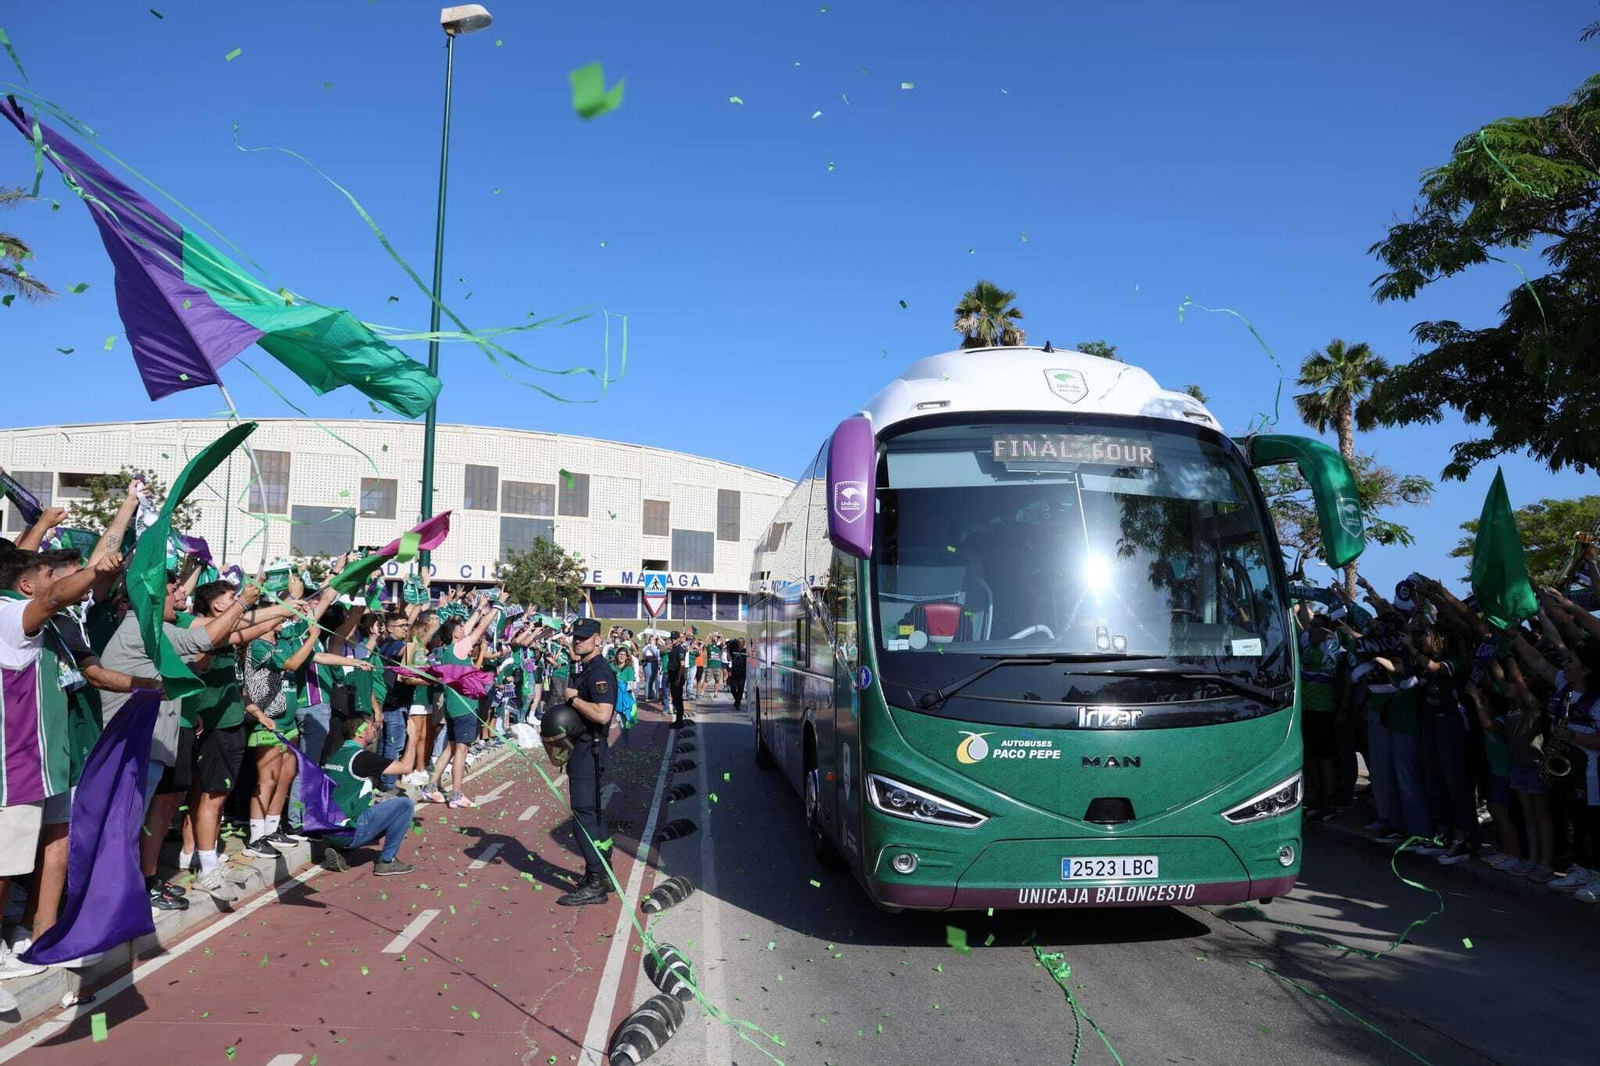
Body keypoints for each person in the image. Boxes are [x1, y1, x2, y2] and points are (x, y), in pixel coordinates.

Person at [0, 546, 122, 997]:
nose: (59, 580)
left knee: (26, 856)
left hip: (43, 763)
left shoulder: (44, 621)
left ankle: (41, 935)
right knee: (3, 865)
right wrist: (94, 570)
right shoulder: (11, 615)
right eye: (51, 573)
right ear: (29, 585)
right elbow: (54, 598)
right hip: (13, 765)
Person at [551, 617, 616, 906]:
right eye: (576, 636)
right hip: (586, 750)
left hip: (590, 751)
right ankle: (605, 872)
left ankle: (595, 882)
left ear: (598, 640)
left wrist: (574, 701)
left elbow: (603, 714)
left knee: (582, 817)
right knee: (595, 815)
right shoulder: (586, 668)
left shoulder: (599, 672)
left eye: (585, 637)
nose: (578, 641)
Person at [318, 710, 420, 876]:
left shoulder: (334, 755)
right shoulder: (361, 758)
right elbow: (406, 767)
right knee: (404, 805)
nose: (375, 730)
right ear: (361, 732)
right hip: (346, 831)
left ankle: (342, 851)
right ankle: (387, 861)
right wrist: (413, 738)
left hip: (326, 829)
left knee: (378, 803)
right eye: (372, 726)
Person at [665, 631, 688, 727]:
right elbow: (662, 651)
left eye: (675, 638)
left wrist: (678, 678)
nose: (673, 640)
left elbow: (682, 665)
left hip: (677, 676)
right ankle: (678, 720)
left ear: (679, 638)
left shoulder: (680, 649)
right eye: (672, 638)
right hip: (672, 675)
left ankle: (679, 721)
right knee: (675, 699)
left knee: (678, 699)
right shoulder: (672, 648)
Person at [728, 637, 747, 710]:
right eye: (739, 642)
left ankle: (738, 702)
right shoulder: (734, 650)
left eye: (741, 642)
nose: (740, 643)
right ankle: (737, 700)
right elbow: (729, 658)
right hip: (734, 672)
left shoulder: (745, 651)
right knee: (732, 688)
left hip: (742, 673)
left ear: (744, 643)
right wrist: (728, 649)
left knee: (740, 688)